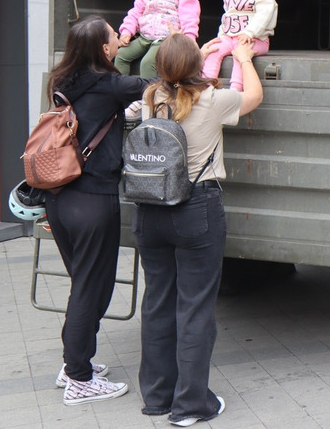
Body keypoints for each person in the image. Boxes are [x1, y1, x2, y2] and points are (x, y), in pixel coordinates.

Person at [134, 33, 264, 425]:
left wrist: (192, 58)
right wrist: (242, 59)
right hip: (196, 208)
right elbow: (254, 97)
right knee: (195, 307)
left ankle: (157, 397)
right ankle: (191, 406)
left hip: (150, 208)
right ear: (195, 66)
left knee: (157, 302)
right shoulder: (211, 100)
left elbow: (175, 82)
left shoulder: (151, 98)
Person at [44, 16, 152, 405]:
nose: (120, 41)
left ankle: (73, 364)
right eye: (114, 38)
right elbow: (159, 83)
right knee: (92, 290)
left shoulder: (60, 82)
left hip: (58, 199)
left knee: (82, 286)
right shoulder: (110, 84)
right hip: (92, 201)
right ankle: (79, 378)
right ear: (103, 50)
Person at [201, 0, 278, 92]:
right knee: (213, 51)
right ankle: (206, 85)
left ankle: (235, 89)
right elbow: (227, 19)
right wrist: (221, 36)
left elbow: (262, 18)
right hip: (231, 38)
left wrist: (249, 33)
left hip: (256, 40)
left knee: (240, 56)